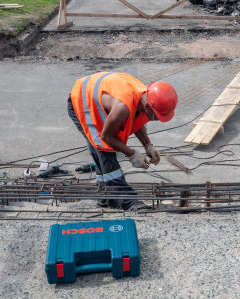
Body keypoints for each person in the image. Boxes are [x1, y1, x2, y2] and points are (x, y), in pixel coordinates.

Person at [68, 72, 178, 211]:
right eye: (157, 117)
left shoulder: (144, 96)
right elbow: (107, 137)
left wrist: (148, 145)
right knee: (104, 150)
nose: (157, 120)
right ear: (148, 106)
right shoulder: (122, 107)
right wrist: (132, 154)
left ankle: (105, 198)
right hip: (82, 100)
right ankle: (128, 201)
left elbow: (136, 119)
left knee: (101, 154)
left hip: (98, 95)